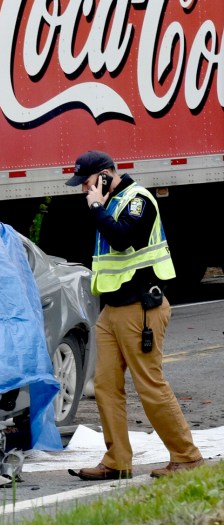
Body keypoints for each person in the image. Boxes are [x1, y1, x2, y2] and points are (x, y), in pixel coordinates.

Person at [64, 150, 204, 480]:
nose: (84, 190)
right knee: (105, 387)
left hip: (140, 308)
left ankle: (187, 457)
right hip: (112, 310)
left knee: (149, 385)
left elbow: (125, 238)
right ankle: (117, 460)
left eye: (86, 183)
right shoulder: (109, 203)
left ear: (104, 175)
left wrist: (97, 207)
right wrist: (99, 207)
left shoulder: (137, 199)